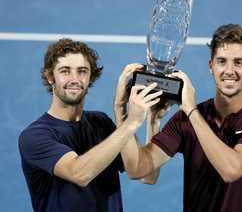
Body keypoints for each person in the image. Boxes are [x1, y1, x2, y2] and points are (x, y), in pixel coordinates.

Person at [116, 24, 242, 212]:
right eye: (221, 61)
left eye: (238, 62)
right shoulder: (185, 119)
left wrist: (192, 111)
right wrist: (124, 112)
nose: (229, 70)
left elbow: (231, 169)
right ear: (211, 66)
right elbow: (139, 170)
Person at [18, 38, 162, 212]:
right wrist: (130, 122)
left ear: (90, 77)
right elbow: (79, 173)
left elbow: (146, 175)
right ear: (50, 77)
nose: (74, 79)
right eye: (65, 71)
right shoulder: (34, 136)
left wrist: (152, 119)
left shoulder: (100, 123)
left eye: (82, 71)